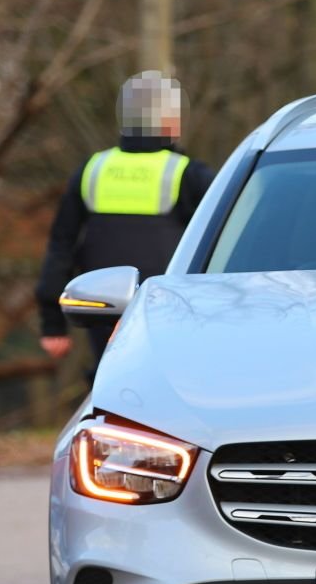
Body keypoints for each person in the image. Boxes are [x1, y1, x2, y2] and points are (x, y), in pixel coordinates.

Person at [35, 71, 214, 372]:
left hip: (102, 308)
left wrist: (53, 323)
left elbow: (61, 245)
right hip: (170, 307)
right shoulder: (189, 173)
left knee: (111, 379)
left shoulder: (92, 169)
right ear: (171, 122)